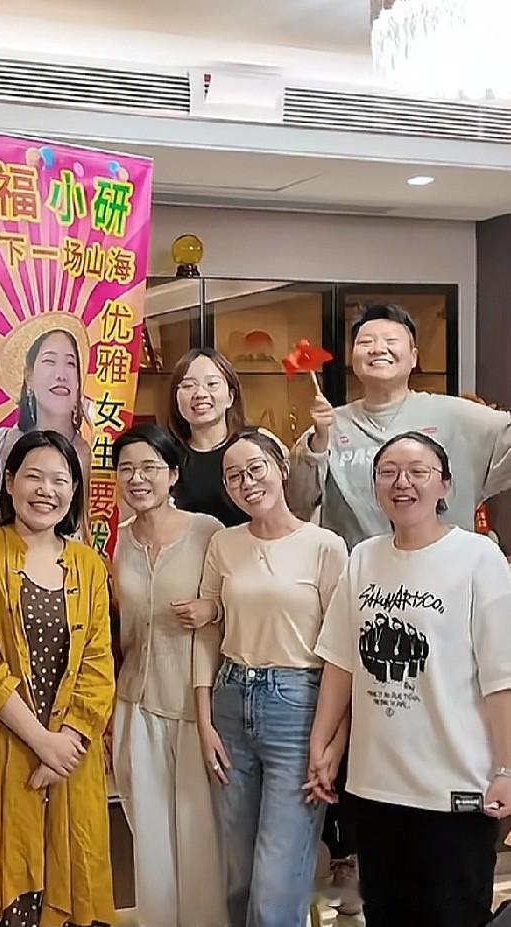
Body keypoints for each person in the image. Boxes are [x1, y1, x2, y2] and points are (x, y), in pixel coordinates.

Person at [308, 431, 511, 927]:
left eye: (418, 472)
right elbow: (341, 661)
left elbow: (500, 678)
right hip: (375, 786)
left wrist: (507, 769)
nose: (403, 483)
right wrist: (322, 743)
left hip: (454, 789)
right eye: (389, 472)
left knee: (453, 915)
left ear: (444, 485)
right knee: (386, 914)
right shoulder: (364, 557)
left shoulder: (477, 557)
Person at [0, 430, 115, 927]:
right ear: (9, 482)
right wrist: (42, 742)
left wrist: (67, 743)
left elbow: (98, 665)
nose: (45, 490)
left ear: (74, 490)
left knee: (70, 872)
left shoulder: (89, 565)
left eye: (60, 480)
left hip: (71, 757)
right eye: (34, 477)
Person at [197, 428, 348, 927]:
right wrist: (205, 722)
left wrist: (333, 740)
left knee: (275, 884)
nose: (246, 482)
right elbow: (209, 630)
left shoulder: (324, 546)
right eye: (233, 476)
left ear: (281, 467)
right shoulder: (223, 544)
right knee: (239, 876)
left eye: (255, 468)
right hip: (231, 700)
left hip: (298, 707)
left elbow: (342, 653)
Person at [110, 423, 227, 927]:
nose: (137, 479)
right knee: (149, 836)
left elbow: (234, 602)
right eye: (126, 469)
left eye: (150, 467)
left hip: (195, 705)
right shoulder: (117, 541)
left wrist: (213, 608)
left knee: (201, 839)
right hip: (134, 702)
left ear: (173, 474)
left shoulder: (207, 532)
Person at [289, 302, 511, 550]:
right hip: (361, 570)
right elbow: (297, 503)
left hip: (446, 567)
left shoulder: (458, 415)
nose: (377, 349)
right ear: (353, 357)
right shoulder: (330, 425)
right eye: (366, 342)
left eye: (390, 341)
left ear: (414, 357)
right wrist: (318, 443)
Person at [0, 314, 91, 535]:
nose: (61, 375)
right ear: (29, 377)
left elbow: (81, 529)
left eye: (70, 363)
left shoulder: (82, 453)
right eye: (50, 361)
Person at [167, 348, 248, 526]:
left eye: (212, 384)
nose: (200, 394)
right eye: (188, 386)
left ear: (230, 397)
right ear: (175, 399)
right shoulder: (166, 457)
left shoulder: (254, 447)